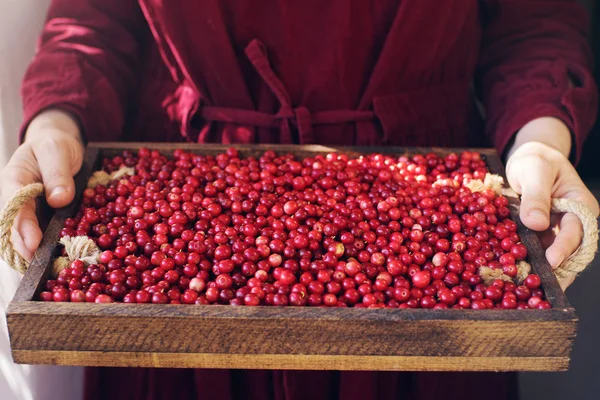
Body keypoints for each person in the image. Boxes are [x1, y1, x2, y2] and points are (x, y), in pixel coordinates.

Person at [1, 1, 598, 399]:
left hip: (434, 204)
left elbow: (534, 21)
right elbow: (93, 19)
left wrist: (540, 139)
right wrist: (57, 123)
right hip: (183, 176)